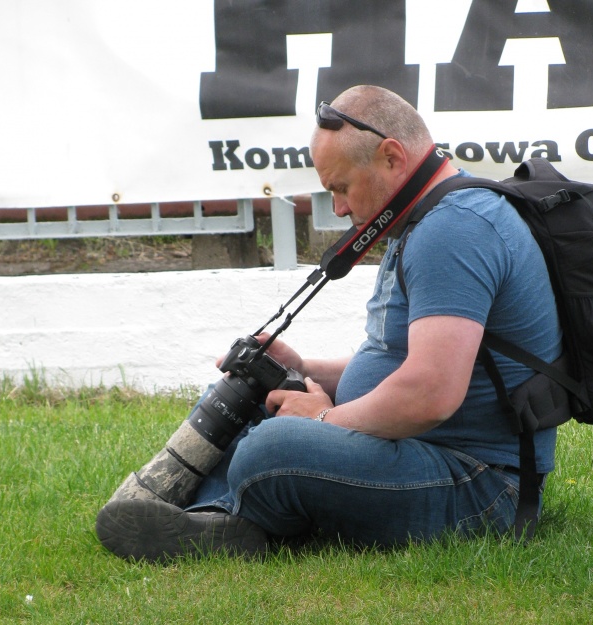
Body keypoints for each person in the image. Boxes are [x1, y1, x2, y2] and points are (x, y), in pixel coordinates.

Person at [96, 85, 562, 561]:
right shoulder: (429, 217)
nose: (338, 208)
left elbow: (430, 394)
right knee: (256, 391)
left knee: (275, 446)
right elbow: (398, 361)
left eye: (341, 187)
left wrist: (323, 419)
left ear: (392, 157)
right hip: (423, 451)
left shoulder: (454, 229)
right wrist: (303, 369)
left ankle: (232, 515)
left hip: (479, 485)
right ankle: (216, 520)